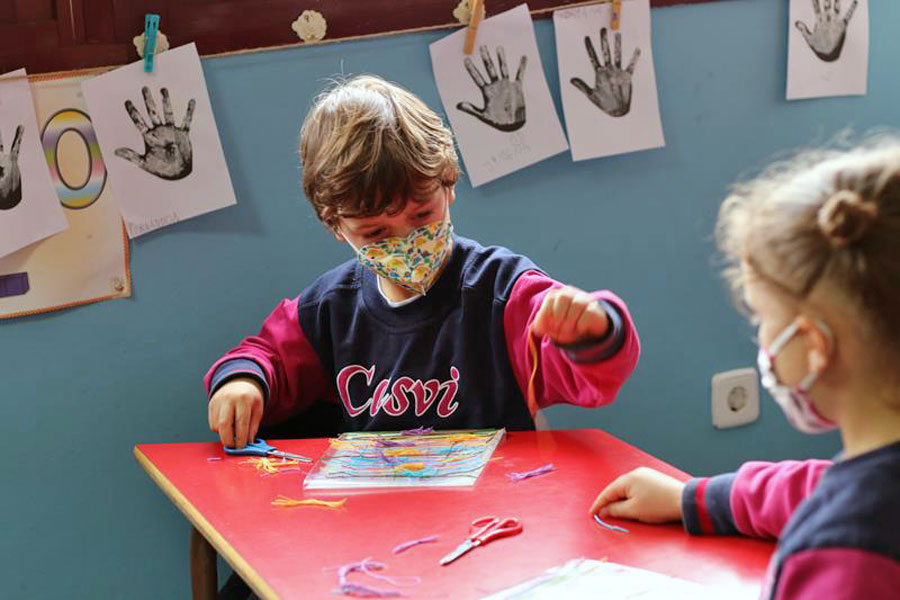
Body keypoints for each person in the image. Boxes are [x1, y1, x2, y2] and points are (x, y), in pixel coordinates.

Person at [204, 75, 640, 448]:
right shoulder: (330, 308)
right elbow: (267, 355)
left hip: (493, 513)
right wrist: (243, 381)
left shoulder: (503, 291)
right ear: (337, 227)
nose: (407, 240)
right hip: (375, 519)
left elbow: (586, 379)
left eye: (422, 215)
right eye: (375, 233)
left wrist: (593, 329)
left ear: (448, 185)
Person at [590, 139, 900, 599]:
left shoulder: (848, 557)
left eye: (762, 318)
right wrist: (690, 498)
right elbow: (815, 487)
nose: (763, 337)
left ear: (815, 345)